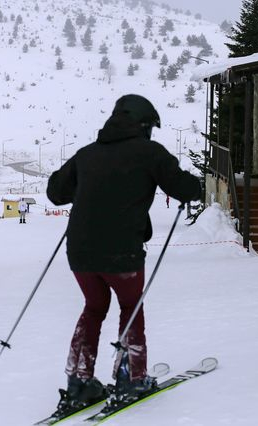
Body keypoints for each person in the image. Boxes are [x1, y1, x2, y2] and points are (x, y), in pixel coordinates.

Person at [46, 94, 201, 408]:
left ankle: (79, 382)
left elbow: (55, 192)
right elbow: (186, 189)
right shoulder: (149, 153)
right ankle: (130, 379)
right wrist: (195, 184)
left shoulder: (86, 154)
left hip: (80, 253)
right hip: (122, 254)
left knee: (93, 307)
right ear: (143, 125)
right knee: (131, 307)